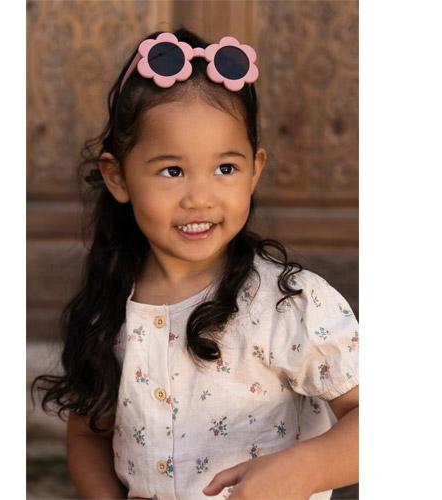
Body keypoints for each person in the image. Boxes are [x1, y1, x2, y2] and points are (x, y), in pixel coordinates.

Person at [31, 27, 359, 500]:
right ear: (118, 177)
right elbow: (88, 434)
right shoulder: (108, 306)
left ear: (254, 170)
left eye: (226, 168)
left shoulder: (288, 304)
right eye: (172, 171)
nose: (200, 198)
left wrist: (303, 471)